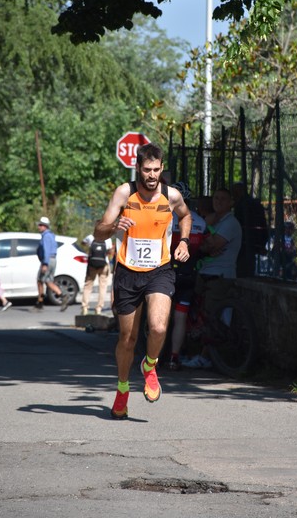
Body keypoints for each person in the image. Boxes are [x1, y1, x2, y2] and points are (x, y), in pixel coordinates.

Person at [94, 143, 192, 419]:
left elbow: (186, 216)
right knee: (128, 338)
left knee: (159, 327)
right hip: (127, 272)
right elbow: (99, 231)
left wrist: (183, 241)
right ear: (138, 167)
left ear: (162, 169)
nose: (151, 175)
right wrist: (114, 226)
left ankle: (150, 366)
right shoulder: (125, 193)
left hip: (159, 270)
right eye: (147, 169)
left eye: (156, 170)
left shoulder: (171, 196)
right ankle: (123, 390)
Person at [182, 187, 242, 368]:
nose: (219, 201)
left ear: (231, 202)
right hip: (206, 272)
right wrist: (205, 242)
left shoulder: (230, 223)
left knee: (211, 317)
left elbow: (211, 245)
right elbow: (205, 246)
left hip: (220, 274)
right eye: (216, 198)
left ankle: (206, 357)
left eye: (223, 199)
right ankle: (196, 352)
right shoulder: (213, 220)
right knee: (199, 315)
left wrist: (203, 242)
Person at [168, 182, 207, 370]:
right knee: (180, 317)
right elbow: (208, 246)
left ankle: (153, 355)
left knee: (160, 315)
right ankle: (174, 357)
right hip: (189, 273)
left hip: (166, 273)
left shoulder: (166, 218)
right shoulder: (200, 221)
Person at [33, 217, 69, 312]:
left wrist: (45, 263)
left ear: (45, 226)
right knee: (46, 281)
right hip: (52, 259)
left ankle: (42, 301)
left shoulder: (46, 236)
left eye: (40, 225)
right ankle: (42, 300)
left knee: (41, 280)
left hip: (47, 260)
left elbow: (46, 250)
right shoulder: (51, 235)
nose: (39, 227)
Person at [232, 181, 268, 277]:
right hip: (251, 240)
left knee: (243, 265)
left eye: (235, 191)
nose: (233, 195)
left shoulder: (243, 204)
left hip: (245, 239)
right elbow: (263, 223)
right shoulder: (252, 203)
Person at [81, 234, 113, 316]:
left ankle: (85, 307)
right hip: (104, 264)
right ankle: (99, 308)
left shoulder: (90, 237)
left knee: (88, 285)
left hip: (92, 264)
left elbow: (83, 243)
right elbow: (110, 251)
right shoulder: (108, 239)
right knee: (103, 287)